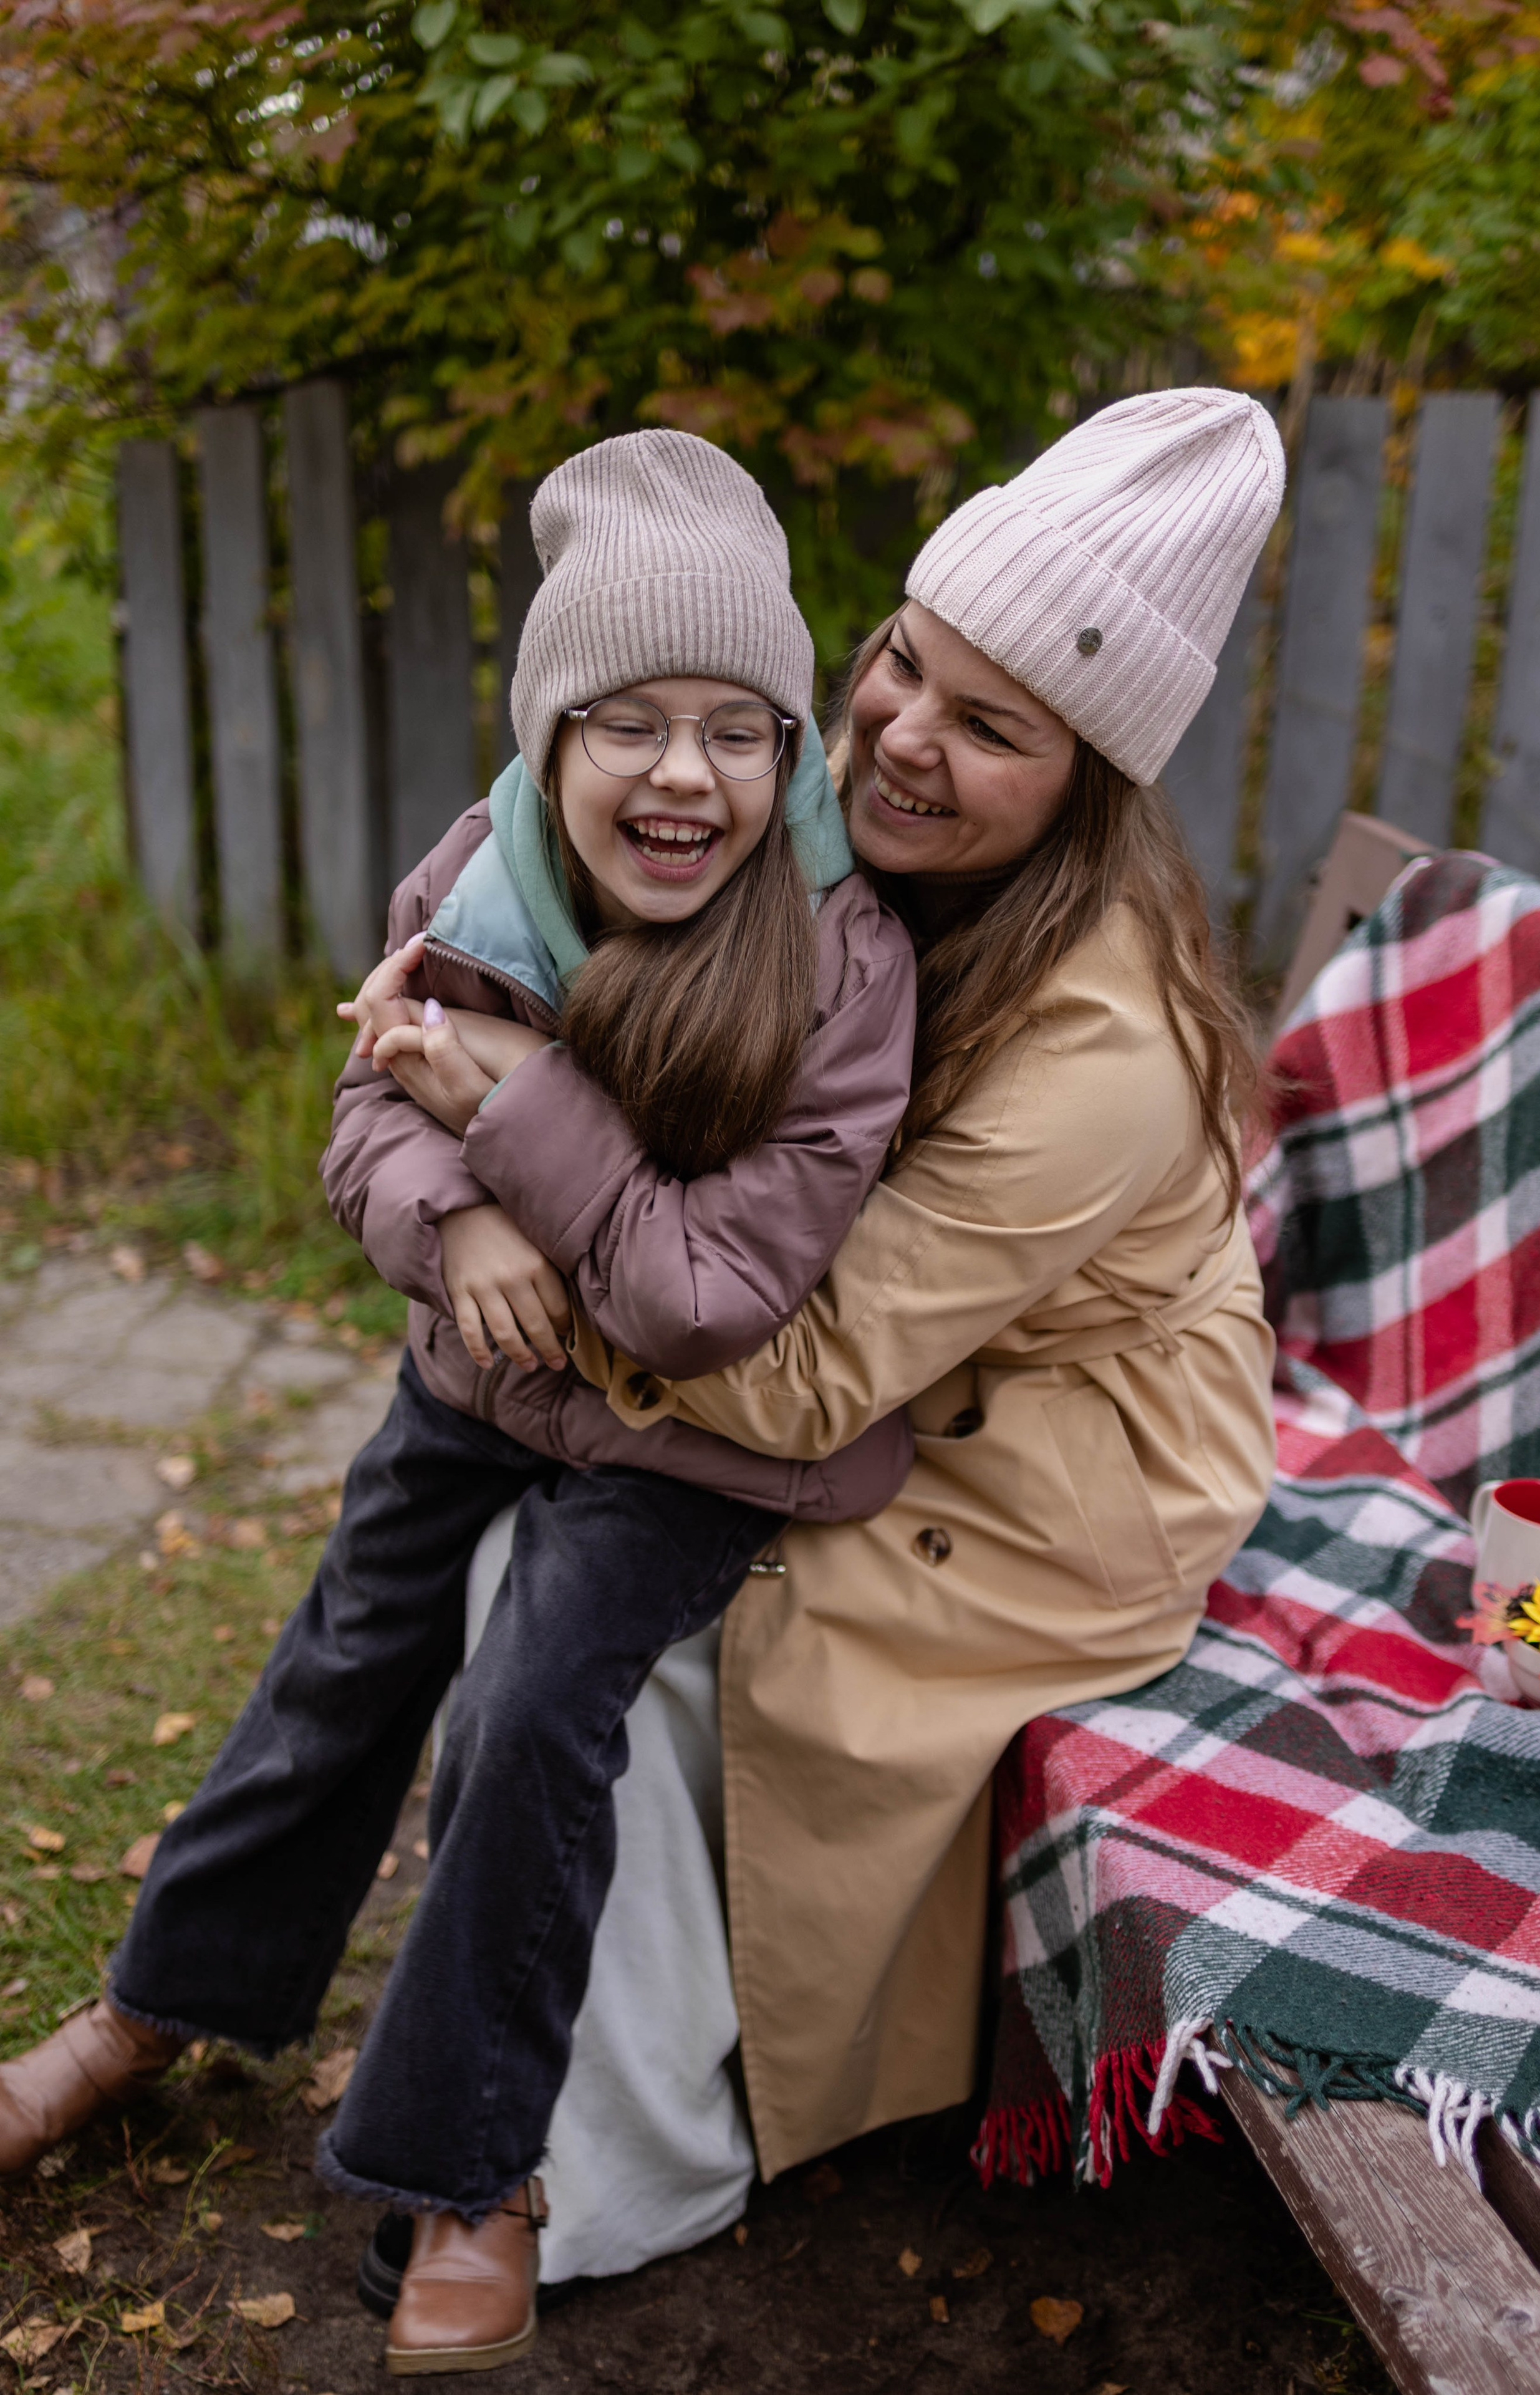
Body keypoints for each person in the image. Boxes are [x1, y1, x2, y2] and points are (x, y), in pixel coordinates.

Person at [0, 431, 918, 2377]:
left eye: (740, 731)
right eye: (632, 726)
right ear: (548, 735)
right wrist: (454, 1226)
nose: (686, 777)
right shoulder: (483, 873)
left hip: (698, 1440)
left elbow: (707, 1294)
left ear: (791, 749)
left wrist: (501, 1108)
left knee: (526, 1699)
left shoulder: (841, 960)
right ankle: (156, 2004)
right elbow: (358, 1119)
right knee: (345, 1656)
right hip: (483, 1375)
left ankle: (474, 2168)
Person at [471, 387, 1287, 2205]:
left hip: (1057, 1475)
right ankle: (512, 2066)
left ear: (1088, 780)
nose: (901, 736)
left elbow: (809, 1370)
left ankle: (630, 2167)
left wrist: (526, 1237)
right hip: (827, 1347)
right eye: (904, 663)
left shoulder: (1104, 1039)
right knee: (525, 1556)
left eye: (990, 725)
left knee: (672, 1637)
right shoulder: (843, 832)